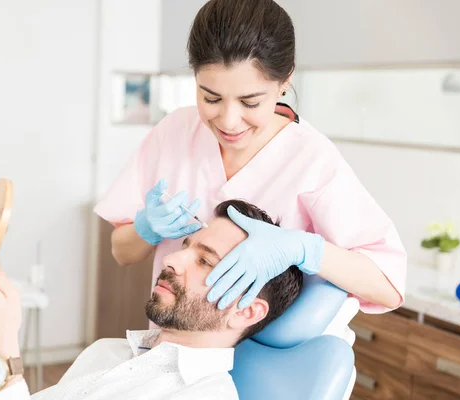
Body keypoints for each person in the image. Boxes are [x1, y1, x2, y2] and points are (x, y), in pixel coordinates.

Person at [94, 0, 406, 317]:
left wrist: (302, 248)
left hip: (262, 357)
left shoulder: (311, 159)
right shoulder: (175, 131)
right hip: (173, 348)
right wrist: (147, 228)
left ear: (284, 82)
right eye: (210, 97)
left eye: (250, 102)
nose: (229, 121)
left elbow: (387, 287)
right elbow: (122, 252)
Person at [0, 199, 303, 400]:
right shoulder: (107, 352)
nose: (170, 260)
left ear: (247, 311)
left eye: (205, 262)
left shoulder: (203, 396)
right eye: (185, 247)